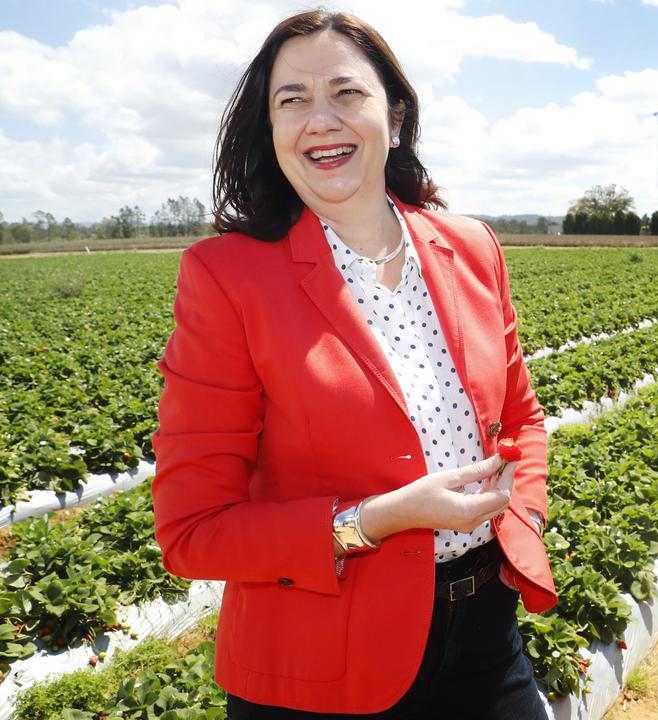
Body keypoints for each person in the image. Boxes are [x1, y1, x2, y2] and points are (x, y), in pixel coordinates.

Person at [150, 9, 556, 718]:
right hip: (320, 666)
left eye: (346, 93)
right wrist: (372, 521)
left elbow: (522, 416)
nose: (320, 120)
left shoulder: (471, 246)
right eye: (292, 100)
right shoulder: (226, 278)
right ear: (270, 129)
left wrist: (522, 514)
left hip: (488, 636)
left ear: (395, 116)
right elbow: (192, 531)